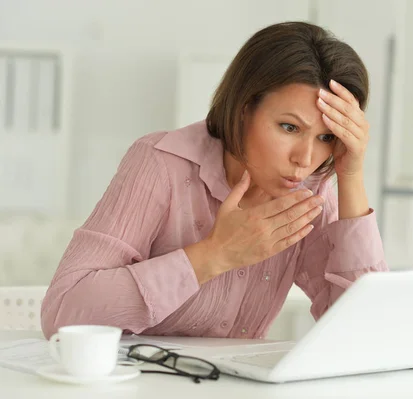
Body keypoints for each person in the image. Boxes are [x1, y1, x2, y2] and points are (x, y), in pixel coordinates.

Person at [41, 21, 388, 339]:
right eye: (289, 127)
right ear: (243, 108)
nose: (305, 159)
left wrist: (351, 174)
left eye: (327, 138)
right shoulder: (161, 163)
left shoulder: (312, 194)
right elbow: (62, 314)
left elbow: (367, 333)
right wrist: (215, 255)